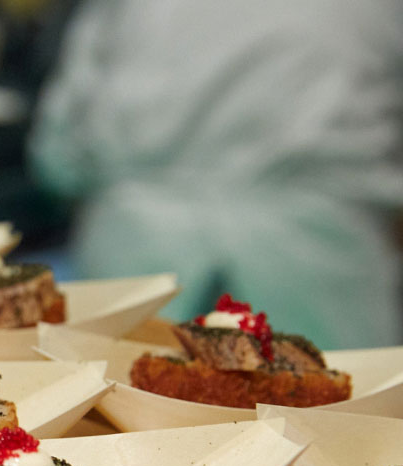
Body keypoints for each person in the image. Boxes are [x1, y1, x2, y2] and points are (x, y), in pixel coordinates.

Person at [29, 0, 403, 349]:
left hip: (137, 250)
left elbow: (61, 156)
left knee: (117, 411)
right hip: (319, 262)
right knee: (334, 413)